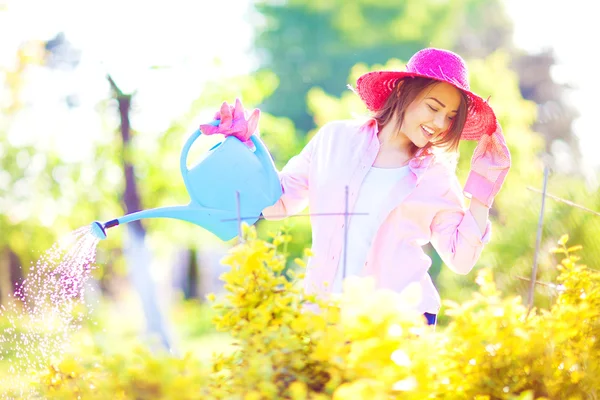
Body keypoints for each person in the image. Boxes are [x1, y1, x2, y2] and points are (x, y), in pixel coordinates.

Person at [204, 48, 511, 326]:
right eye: (434, 107)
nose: (441, 123)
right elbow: (277, 205)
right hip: (324, 315)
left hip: (399, 320)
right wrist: (246, 149)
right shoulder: (333, 140)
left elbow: (461, 259)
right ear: (404, 91)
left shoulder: (436, 175)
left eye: (450, 116)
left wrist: (484, 188)